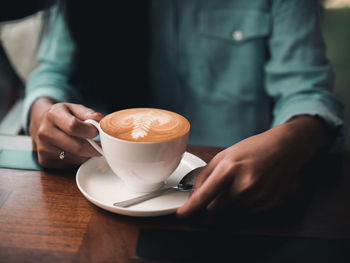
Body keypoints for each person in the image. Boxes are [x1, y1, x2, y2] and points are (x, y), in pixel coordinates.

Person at [23, 0, 346, 218]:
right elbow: (53, 73)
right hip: (104, 199)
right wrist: (43, 111)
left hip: (237, 196)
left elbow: (306, 90)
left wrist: (297, 138)